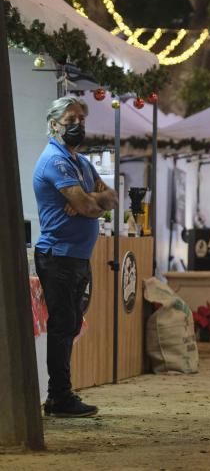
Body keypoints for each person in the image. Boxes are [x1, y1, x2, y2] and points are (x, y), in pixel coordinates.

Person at [33, 96, 118, 418]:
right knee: (62, 325)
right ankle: (58, 397)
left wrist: (93, 198)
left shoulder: (80, 162)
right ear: (54, 124)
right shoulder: (54, 161)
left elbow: (110, 198)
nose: (77, 125)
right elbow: (85, 207)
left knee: (69, 325)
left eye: (81, 119)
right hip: (58, 257)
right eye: (70, 120)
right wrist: (90, 202)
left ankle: (61, 395)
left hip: (77, 257)